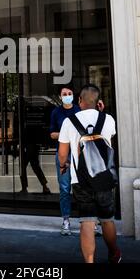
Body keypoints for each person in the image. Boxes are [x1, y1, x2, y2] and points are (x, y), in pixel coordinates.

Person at [58, 84, 121, 263]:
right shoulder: (108, 119)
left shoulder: (69, 122)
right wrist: (102, 112)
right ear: (98, 101)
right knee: (107, 219)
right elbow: (109, 140)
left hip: (81, 180)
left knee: (87, 221)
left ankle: (90, 261)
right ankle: (113, 252)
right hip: (104, 178)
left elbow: (62, 154)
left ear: (79, 101)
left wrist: (64, 165)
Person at [50, 85, 80, 235]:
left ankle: (89, 221)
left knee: (82, 188)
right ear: (60, 97)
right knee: (64, 188)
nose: (67, 95)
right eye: (64, 94)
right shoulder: (56, 112)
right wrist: (66, 132)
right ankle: (66, 220)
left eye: (70, 93)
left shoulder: (79, 110)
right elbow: (52, 134)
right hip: (63, 155)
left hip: (79, 154)